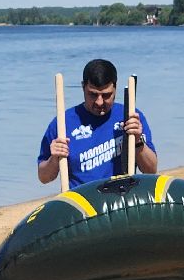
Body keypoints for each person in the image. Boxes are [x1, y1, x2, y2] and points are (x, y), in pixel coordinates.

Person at [37, 58, 157, 187]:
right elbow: (44, 177)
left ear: (115, 89)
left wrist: (138, 141)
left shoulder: (130, 117)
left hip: (121, 197)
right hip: (81, 201)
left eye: (106, 95)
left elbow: (150, 171)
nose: (99, 102)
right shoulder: (62, 123)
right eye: (93, 95)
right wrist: (54, 159)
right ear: (83, 88)